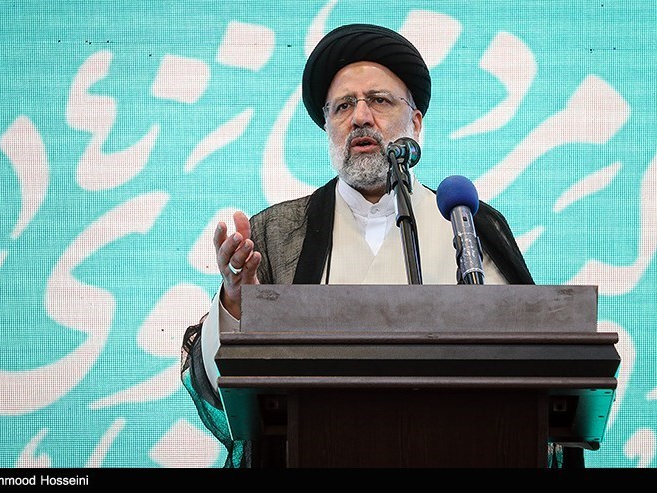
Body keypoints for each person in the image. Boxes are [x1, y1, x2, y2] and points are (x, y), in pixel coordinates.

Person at [180, 23, 583, 468]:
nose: (360, 117)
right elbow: (225, 399)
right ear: (328, 127)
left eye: (379, 101)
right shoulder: (277, 232)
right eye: (343, 106)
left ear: (416, 122)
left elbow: (534, 371)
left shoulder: (470, 223)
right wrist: (237, 305)